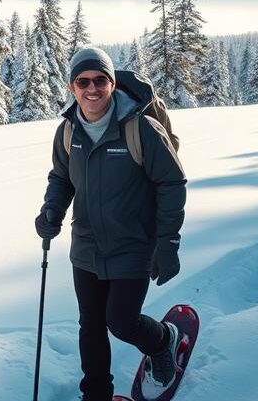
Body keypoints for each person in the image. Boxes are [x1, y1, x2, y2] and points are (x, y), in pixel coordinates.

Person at [35, 46, 187, 401]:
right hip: (86, 245)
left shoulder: (140, 128)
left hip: (133, 243)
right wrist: (52, 212)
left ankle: (163, 341)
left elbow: (171, 182)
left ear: (111, 82)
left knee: (121, 322)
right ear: (72, 87)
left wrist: (168, 243)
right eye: (83, 81)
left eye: (100, 80)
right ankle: (96, 394)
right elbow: (61, 178)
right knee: (90, 326)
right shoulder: (68, 131)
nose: (92, 88)